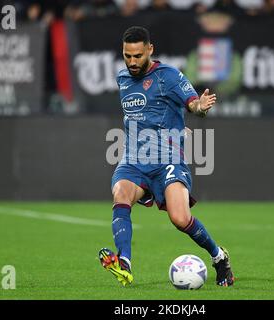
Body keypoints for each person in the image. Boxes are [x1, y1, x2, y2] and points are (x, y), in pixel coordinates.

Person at [98, 26, 235, 287]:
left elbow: (193, 104)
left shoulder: (168, 76)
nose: (132, 62)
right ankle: (124, 262)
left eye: (138, 55)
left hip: (168, 160)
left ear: (150, 49)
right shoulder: (122, 79)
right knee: (120, 193)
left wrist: (200, 108)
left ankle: (219, 258)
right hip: (134, 159)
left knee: (180, 219)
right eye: (127, 55)